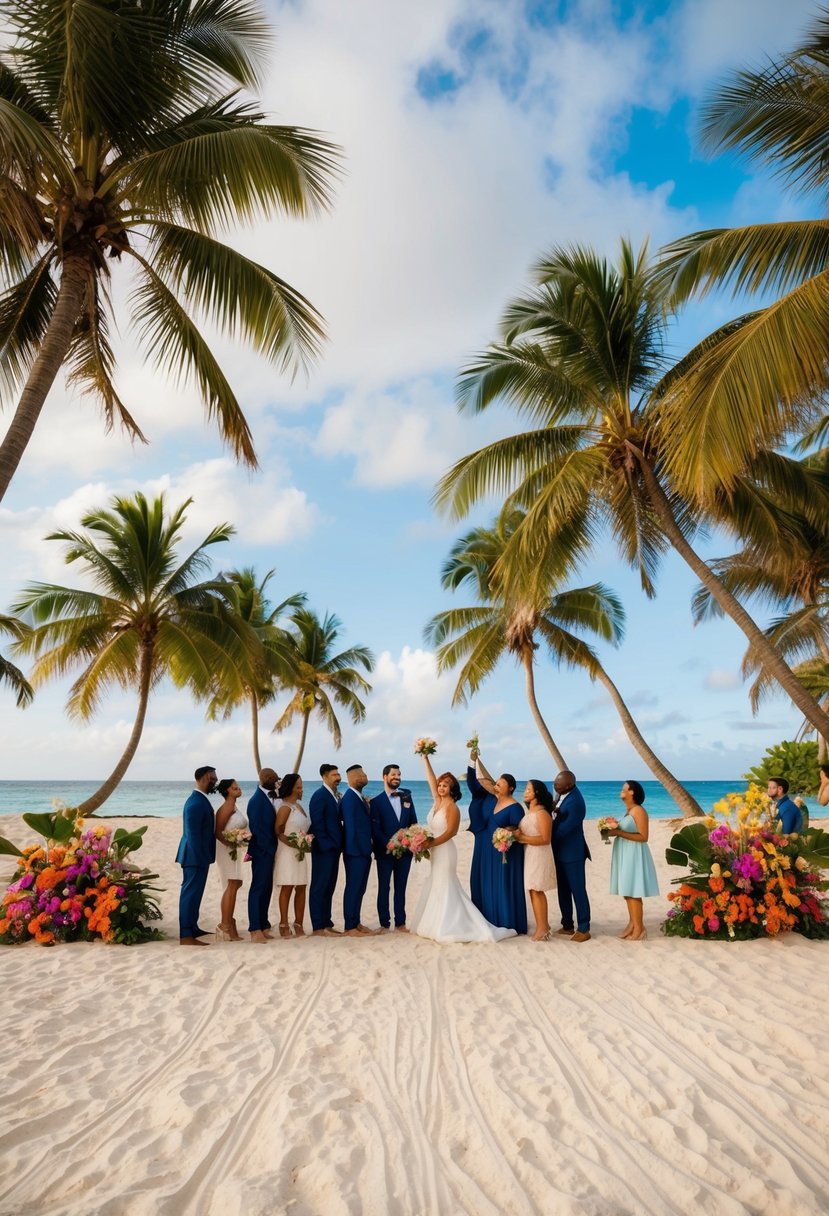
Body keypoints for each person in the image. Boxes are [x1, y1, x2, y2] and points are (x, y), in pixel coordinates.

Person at [410, 750, 514, 944]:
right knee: (435, 882)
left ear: (452, 789)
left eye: (445, 785)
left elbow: (451, 832)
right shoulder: (437, 802)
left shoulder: (452, 807)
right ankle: (435, 922)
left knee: (446, 883)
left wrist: (430, 843)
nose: (441, 788)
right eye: (440, 785)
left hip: (445, 851)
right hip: (434, 851)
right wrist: (425, 757)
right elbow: (430, 778)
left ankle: (451, 924)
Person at [474, 755, 527, 934]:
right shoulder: (493, 800)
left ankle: (508, 921)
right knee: (490, 883)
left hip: (507, 852)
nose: (496, 785)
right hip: (491, 851)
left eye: (500, 783)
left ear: (510, 788)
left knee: (504, 885)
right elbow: (481, 782)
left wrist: (506, 837)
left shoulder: (515, 807)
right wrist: (474, 759)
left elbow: (519, 831)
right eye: (496, 783)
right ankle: (490, 919)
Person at [607, 780, 659, 940]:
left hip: (634, 853)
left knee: (633, 891)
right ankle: (632, 923)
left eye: (624, 788)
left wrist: (620, 833)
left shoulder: (639, 811)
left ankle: (639, 927)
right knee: (627, 891)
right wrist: (610, 829)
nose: (621, 790)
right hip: (624, 851)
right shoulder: (629, 811)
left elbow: (643, 837)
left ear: (632, 792)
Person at [371, 763, 418, 933]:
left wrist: (410, 840)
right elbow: (375, 829)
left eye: (399, 775)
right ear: (385, 777)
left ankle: (400, 923)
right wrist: (389, 843)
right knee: (384, 887)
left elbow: (413, 822)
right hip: (384, 852)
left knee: (401, 887)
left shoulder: (407, 798)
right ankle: (384, 923)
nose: (397, 777)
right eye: (393, 775)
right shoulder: (376, 802)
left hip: (405, 852)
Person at [175, 765, 218, 946]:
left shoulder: (200, 799)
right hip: (194, 856)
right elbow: (192, 835)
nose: (215, 781)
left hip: (200, 855)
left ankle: (193, 927)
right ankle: (186, 935)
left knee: (196, 893)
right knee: (189, 894)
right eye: (213, 778)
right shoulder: (195, 802)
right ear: (205, 777)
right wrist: (201, 857)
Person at [511, 780, 556, 941]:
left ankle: (543, 927)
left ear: (537, 792)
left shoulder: (542, 813)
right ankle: (542, 925)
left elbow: (545, 838)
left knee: (537, 889)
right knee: (532, 889)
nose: (525, 791)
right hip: (529, 852)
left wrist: (522, 837)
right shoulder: (529, 812)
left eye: (529, 789)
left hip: (539, 853)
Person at [551, 769, 591, 942]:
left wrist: (546, 837)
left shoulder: (576, 801)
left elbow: (565, 829)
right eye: (554, 783)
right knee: (563, 890)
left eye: (558, 785)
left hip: (572, 852)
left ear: (568, 785)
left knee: (578, 890)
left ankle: (584, 928)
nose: (555, 786)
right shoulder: (562, 793)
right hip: (560, 851)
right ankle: (567, 924)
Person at [309, 763, 344, 935]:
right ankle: (317, 926)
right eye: (334, 775)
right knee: (319, 886)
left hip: (334, 849)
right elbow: (318, 823)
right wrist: (326, 846)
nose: (338, 778)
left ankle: (326, 923)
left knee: (329, 887)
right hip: (324, 850)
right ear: (324, 776)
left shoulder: (334, 796)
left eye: (338, 774)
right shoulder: (319, 796)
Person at [341, 764, 375, 936]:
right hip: (355, 851)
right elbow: (352, 827)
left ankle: (356, 921)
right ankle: (349, 926)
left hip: (363, 851)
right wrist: (359, 850)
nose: (366, 776)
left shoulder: (359, 797)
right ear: (354, 778)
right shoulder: (349, 799)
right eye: (363, 774)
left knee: (360, 888)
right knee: (353, 887)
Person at [274, 773, 310, 937]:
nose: (301, 790)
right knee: (287, 886)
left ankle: (299, 923)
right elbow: (279, 831)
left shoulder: (300, 807)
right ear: (290, 788)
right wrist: (294, 843)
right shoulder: (284, 808)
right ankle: (283, 923)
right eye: (298, 787)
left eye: (301, 786)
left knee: (301, 886)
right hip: (288, 851)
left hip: (300, 851)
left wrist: (306, 842)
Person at [247, 767, 279, 944]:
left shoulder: (269, 797)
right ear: (266, 779)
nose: (276, 781)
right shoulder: (256, 800)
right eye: (274, 779)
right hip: (261, 851)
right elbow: (257, 829)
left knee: (267, 888)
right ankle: (254, 928)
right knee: (258, 889)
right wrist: (269, 850)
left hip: (270, 850)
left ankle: (263, 924)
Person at [214, 778, 247, 941]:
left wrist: (240, 839)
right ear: (227, 790)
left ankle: (230, 921)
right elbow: (218, 832)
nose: (238, 789)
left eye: (238, 787)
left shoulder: (233, 806)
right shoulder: (226, 807)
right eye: (235, 788)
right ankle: (225, 924)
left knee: (236, 883)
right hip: (227, 849)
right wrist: (232, 843)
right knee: (231, 883)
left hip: (234, 848)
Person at [466, 746, 495, 913]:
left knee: (491, 877)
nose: (482, 782)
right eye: (481, 781)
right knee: (478, 876)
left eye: (486, 781)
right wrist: (472, 759)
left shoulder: (499, 798)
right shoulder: (479, 795)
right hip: (481, 838)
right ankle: (479, 910)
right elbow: (471, 780)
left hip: (496, 840)